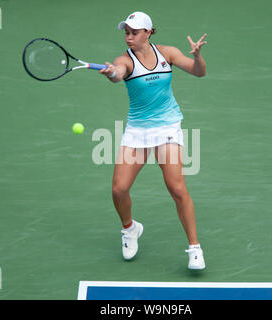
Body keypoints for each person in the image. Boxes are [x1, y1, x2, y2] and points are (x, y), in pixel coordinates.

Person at [100, 11, 207, 270]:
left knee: (177, 189)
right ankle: (130, 229)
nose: (129, 37)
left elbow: (198, 72)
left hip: (167, 127)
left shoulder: (167, 53)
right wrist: (112, 73)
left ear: (148, 33)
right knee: (118, 189)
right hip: (137, 131)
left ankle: (194, 249)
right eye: (126, 32)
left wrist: (197, 56)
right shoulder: (123, 60)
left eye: (134, 32)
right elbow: (119, 74)